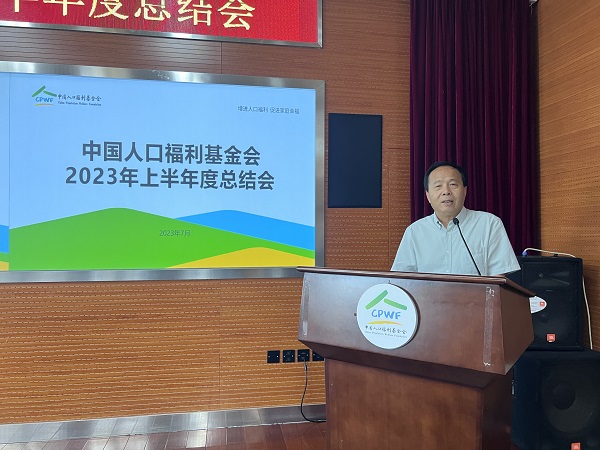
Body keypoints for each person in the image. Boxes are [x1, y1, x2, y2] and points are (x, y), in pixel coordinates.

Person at [391, 161, 520, 276]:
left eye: (453, 184)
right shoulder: (414, 232)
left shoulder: (489, 224)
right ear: (428, 196)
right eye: (438, 186)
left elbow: (498, 279)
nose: (446, 191)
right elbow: (402, 280)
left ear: (464, 191)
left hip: (475, 297)